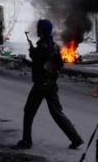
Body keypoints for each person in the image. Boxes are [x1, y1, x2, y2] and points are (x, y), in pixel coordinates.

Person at [14, 19, 83, 150]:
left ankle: (26, 141)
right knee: (57, 113)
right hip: (51, 84)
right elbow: (59, 65)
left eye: (39, 28)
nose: (37, 31)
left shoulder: (42, 46)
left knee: (28, 111)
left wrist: (26, 58)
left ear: (42, 30)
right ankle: (76, 139)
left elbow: (36, 64)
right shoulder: (54, 46)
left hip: (41, 85)